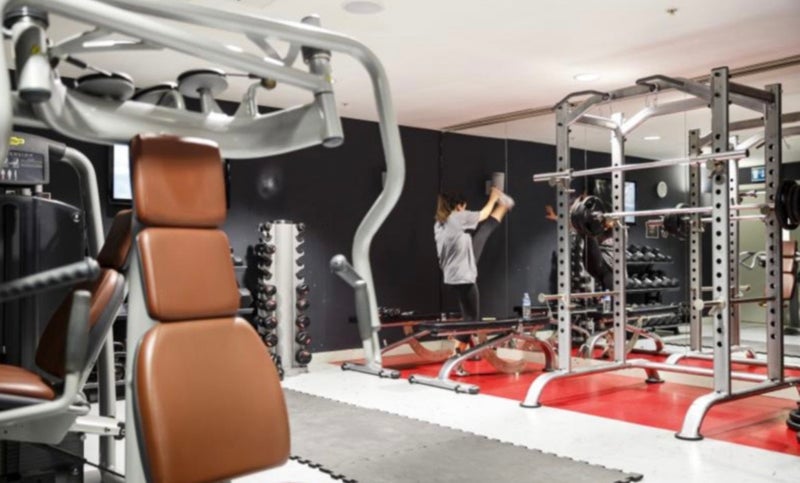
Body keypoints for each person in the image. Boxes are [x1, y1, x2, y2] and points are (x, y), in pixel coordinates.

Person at [434, 187, 514, 353]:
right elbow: (483, 214)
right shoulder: (456, 217)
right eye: (464, 206)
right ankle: (457, 354)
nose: (465, 210)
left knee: (482, 234)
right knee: (471, 319)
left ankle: (504, 206)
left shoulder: (440, 223)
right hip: (463, 275)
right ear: (459, 206)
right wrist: (493, 198)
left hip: (454, 271)